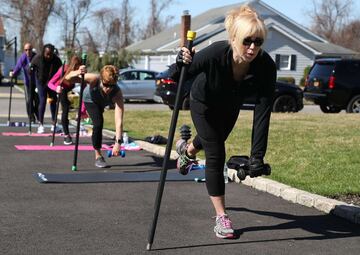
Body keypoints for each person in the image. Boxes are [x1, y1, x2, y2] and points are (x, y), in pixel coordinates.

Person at [173, 5, 276, 239]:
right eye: (247, 41)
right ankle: (222, 217)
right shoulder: (216, 53)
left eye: (258, 42)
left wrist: (257, 156)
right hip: (203, 102)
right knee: (216, 152)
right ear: (233, 38)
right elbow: (177, 75)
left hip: (230, 106)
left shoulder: (266, 67)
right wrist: (181, 61)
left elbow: (263, 112)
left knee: (213, 140)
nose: (252, 48)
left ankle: (187, 151)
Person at [64, 64, 125, 168]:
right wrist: (78, 72)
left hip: (103, 103)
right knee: (98, 124)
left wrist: (118, 143)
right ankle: (98, 156)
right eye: (105, 85)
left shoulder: (117, 93)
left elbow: (119, 120)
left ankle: (88, 114)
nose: (108, 89)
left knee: (99, 117)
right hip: (89, 100)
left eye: (112, 86)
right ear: (101, 79)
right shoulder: (93, 79)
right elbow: (68, 78)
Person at [48, 55, 85, 145]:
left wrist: (82, 109)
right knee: (65, 108)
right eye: (74, 68)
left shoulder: (81, 73)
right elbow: (50, 83)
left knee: (68, 104)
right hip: (61, 88)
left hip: (70, 88)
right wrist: (56, 88)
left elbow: (85, 91)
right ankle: (66, 135)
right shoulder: (63, 69)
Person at [31, 43, 62, 133]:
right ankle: (40, 124)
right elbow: (30, 66)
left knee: (53, 101)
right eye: (47, 54)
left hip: (52, 82)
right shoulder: (38, 58)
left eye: (51, 54)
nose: (49, 56)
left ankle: (54, 124)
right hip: (41, 82)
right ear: (44, 52)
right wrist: (31, 69)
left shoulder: (57, 60)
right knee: (43, 100)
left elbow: (61, 71)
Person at [10, 43, 39, 123]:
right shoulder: (23, 57)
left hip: (36, 83)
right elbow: (18, 67)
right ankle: (31, 117)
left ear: (32, 49)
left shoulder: (36, 57)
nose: (28, 51)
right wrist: (13, 73)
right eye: (26, 50)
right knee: (29, 100)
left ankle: (38, 116)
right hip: (27, 83)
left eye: (29, 49)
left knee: (37, 101)